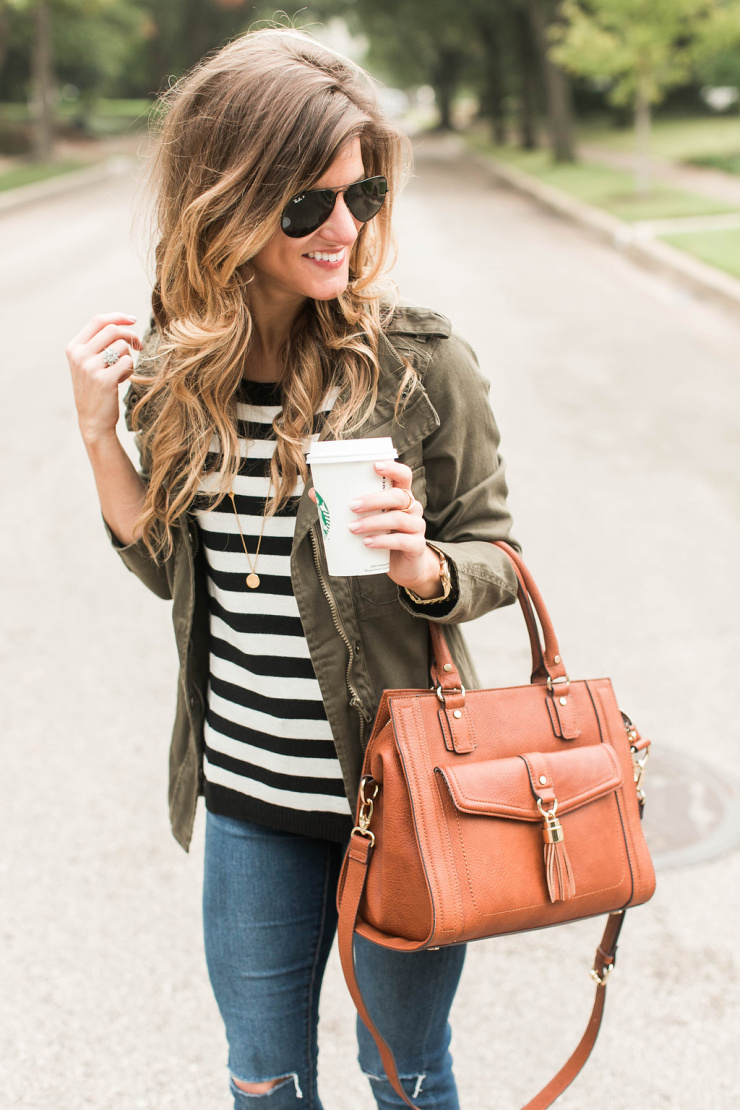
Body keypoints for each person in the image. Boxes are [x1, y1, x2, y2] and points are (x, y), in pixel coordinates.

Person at [65, 28, 519, 1110]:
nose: (344, 230)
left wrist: (420, 566)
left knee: (404, 1075)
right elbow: (174, 577)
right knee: (263, 1082)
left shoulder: (418, 363)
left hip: (403, 802)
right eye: (307, 204)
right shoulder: (177, 375)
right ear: (223, 200)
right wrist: (99, 439)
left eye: (360, 196)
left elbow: (494, 552)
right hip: (248, 804)